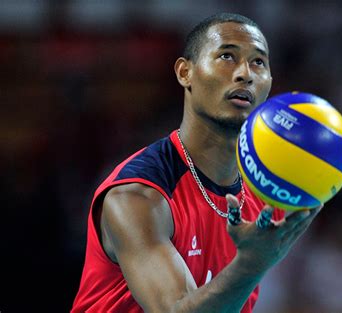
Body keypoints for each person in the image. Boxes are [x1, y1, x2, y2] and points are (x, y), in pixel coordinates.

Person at [72, 13, 320, 313]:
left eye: (259, 62)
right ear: (184, 72)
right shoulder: (136, 196)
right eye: (227, 55)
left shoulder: (266, 191)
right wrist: (251, 265)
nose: (245, 74)